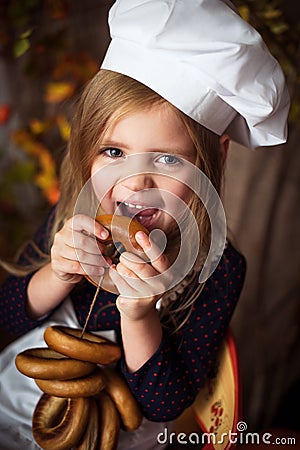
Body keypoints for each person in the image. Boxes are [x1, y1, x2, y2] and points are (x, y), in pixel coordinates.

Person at [0, 0, 289, 449]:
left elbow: (163, 404)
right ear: (87, 147)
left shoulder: (220, 270)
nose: (136, 183)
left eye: (168, 159)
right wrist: (55, 275)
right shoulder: (71, 222)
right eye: (113, 152)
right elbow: (7, 317)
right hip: (21, 404)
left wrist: (138, 317)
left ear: (216, 159)